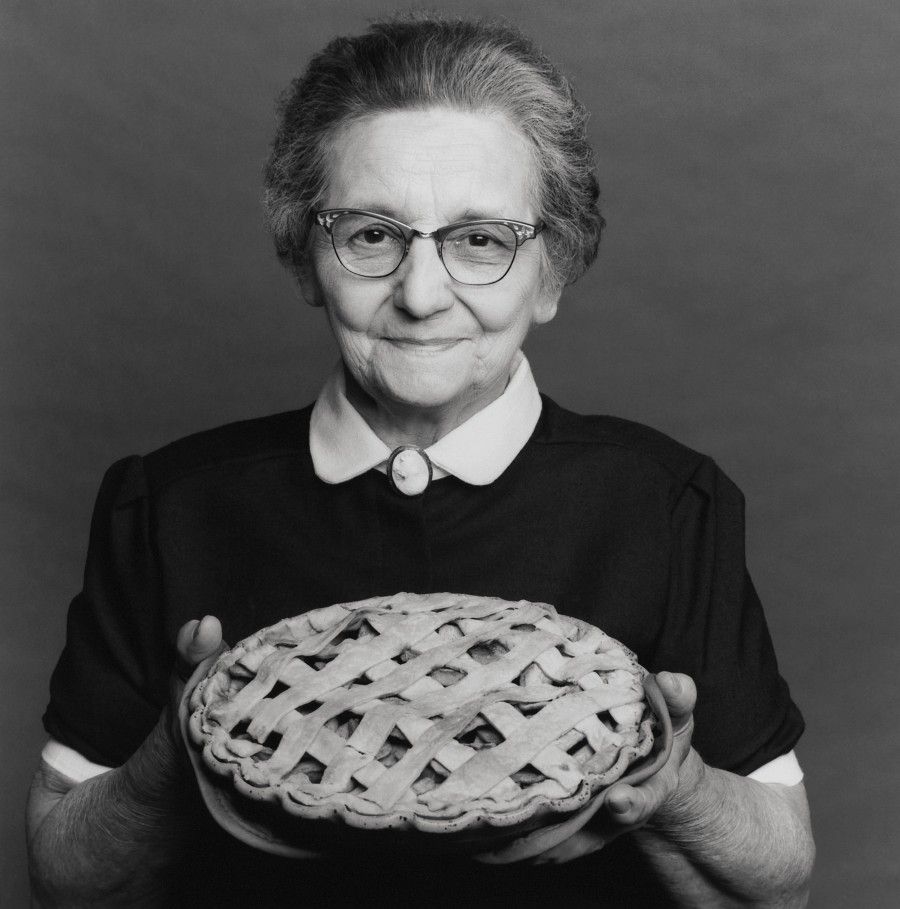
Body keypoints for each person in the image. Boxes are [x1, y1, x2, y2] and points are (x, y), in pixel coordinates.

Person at [26, 14, 814, 908]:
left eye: (481, 240)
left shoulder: (670, 504)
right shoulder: (165, 505)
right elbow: (64, 874)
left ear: (550, 272)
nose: (421, 294)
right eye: (370, 234)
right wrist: (178, 748)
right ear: (304, 257)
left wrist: (670, 781)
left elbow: (776, 880)